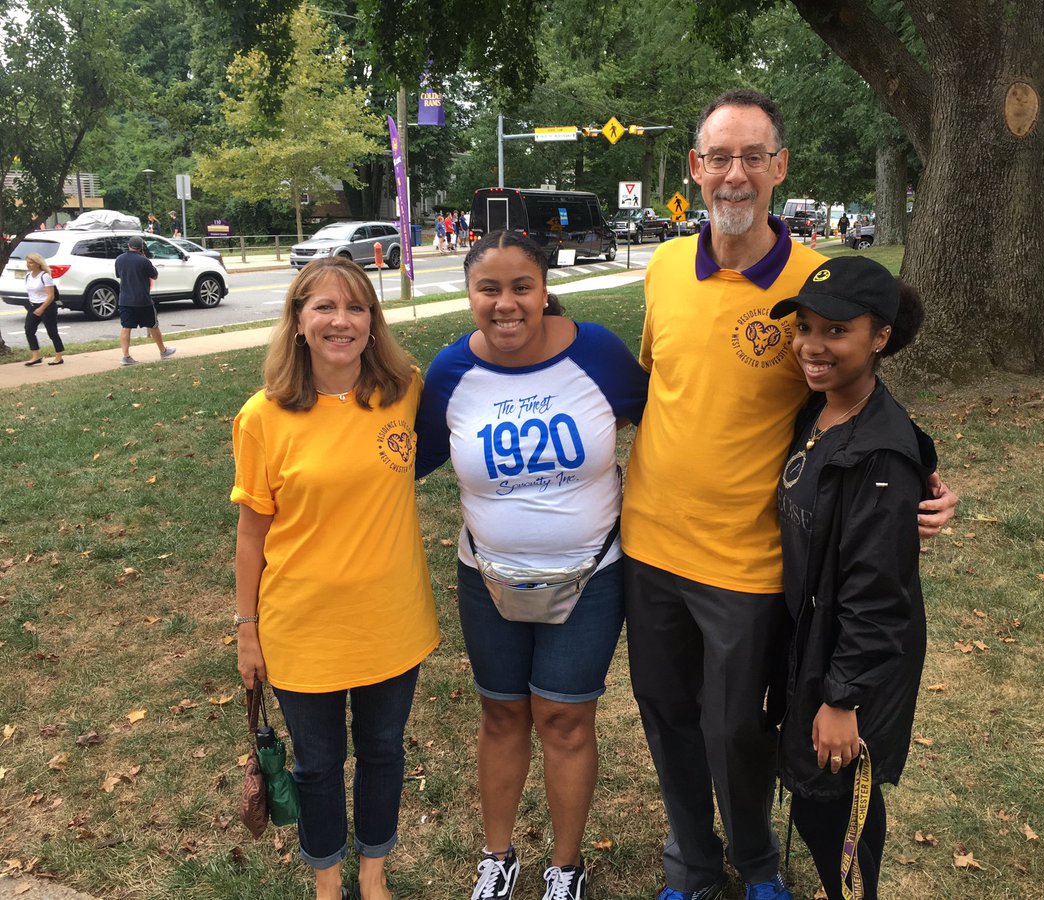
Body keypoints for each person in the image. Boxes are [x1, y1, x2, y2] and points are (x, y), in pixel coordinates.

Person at [620, 89, 957, 900]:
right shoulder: (664, 268)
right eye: (718, 158)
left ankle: (758, 861)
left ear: (780, 168)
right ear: (695, 169)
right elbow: (660, 386)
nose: (734, 176)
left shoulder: (818, 285)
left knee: (736, 729)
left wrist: (919, 466)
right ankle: (693, 867)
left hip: (749, 560)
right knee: (667, 721)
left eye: (752, 158)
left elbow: (849, 399)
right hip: (649, 547)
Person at [415, 229, 648, 900]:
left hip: (593, 575)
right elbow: (396, 459)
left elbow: (667, 417)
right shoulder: (452, 373)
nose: (506, 303)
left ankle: (566, 869)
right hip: (487, 577)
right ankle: (498, 856)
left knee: (565, 720)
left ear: (545, 290)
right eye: (489, 289)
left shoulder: (597, 352)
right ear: (469, 295)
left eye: (522, 287)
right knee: (501, 715)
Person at [231, 256, 439, 900]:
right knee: (317, 766)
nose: (341, 321)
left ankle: (372, 878)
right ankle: (327, 883)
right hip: (302, 625)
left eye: (356, 308)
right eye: (323, 307)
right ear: (297, 321)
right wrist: (246, 628)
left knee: (382, 751)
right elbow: (251, 535)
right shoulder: (262, 417)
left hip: (391, 619)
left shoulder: (406, 389)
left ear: (373, 323)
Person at [770, 255, 931, 900]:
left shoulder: (881, 456)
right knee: (814, 797)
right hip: (814, 644)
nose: (812, 346)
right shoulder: (821, 412)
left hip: (849, 665)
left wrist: (843, 700)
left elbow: (877, 595)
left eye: (837, 331)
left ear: (880, 337)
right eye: (805, 327)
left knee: (837, 812)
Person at [116, 236, 176, 366]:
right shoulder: (143, 260)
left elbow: (119, 275)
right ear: (141, 248)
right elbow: (154, 275)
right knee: (153, 325)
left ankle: (126, 356)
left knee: (126, 327)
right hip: (143, 300)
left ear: (129, 246)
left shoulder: (119, 259)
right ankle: (163, 351)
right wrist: (145, 258)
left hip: (125, 299)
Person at [21, 252, 65, 366]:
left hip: (47, 306)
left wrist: (42, 308)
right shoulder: (28, 276)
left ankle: (59, 356)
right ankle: (35, 356)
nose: (28, 264)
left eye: (31, 262)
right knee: (29, 330)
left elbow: (51, 296)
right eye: (27, 262)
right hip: (33, 306)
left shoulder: (45, 276)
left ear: (38, 264)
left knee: (52, 332)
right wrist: (32, 305)